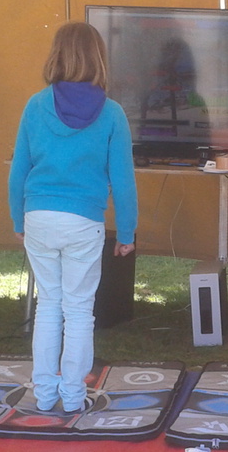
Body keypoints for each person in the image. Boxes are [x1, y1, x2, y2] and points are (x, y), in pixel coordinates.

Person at [8, 21, 138, 414]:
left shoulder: (35, 106)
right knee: (79, 310)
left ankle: (45, 394)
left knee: (49, 305)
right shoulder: (112, 114)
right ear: (99, 58)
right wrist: (127, 232)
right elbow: (123, 181)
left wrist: (18, 222)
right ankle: (72, 396)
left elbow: (18, 171)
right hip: (83, 221)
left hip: (39, 216)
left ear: (56, 56)